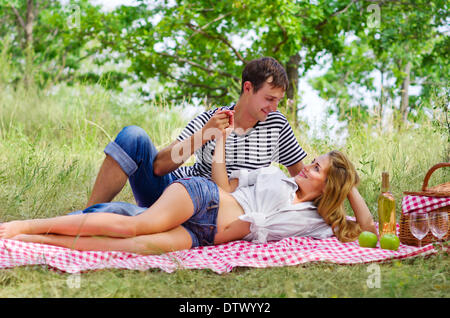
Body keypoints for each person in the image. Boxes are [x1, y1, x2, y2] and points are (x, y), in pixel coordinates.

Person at [0, 121, 376, 254]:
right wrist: (216, 139)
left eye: (317, 167)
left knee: (134, 248)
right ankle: (25, 226)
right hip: (202, 197)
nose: (307, 165)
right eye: (313, 161)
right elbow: (221, 185)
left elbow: (370, 231)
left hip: (202, 236)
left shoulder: (317, 222)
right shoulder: (272, 175)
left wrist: (350, 183)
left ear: (331, 185)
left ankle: (37, 242)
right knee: (134, 226)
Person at [78, 56, 372, 224]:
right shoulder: (212, 117)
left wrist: (344, 191)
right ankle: (83, 217)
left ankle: (96, 222)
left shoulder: (277, 125)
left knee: (126, 220)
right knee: (133, 136)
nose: (273, 107)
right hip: (174, 189)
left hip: (209, 208)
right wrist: (206, 133)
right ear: (248, 88)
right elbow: (159, 167)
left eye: (278, 100)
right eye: (269, 99)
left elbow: (305, 180)